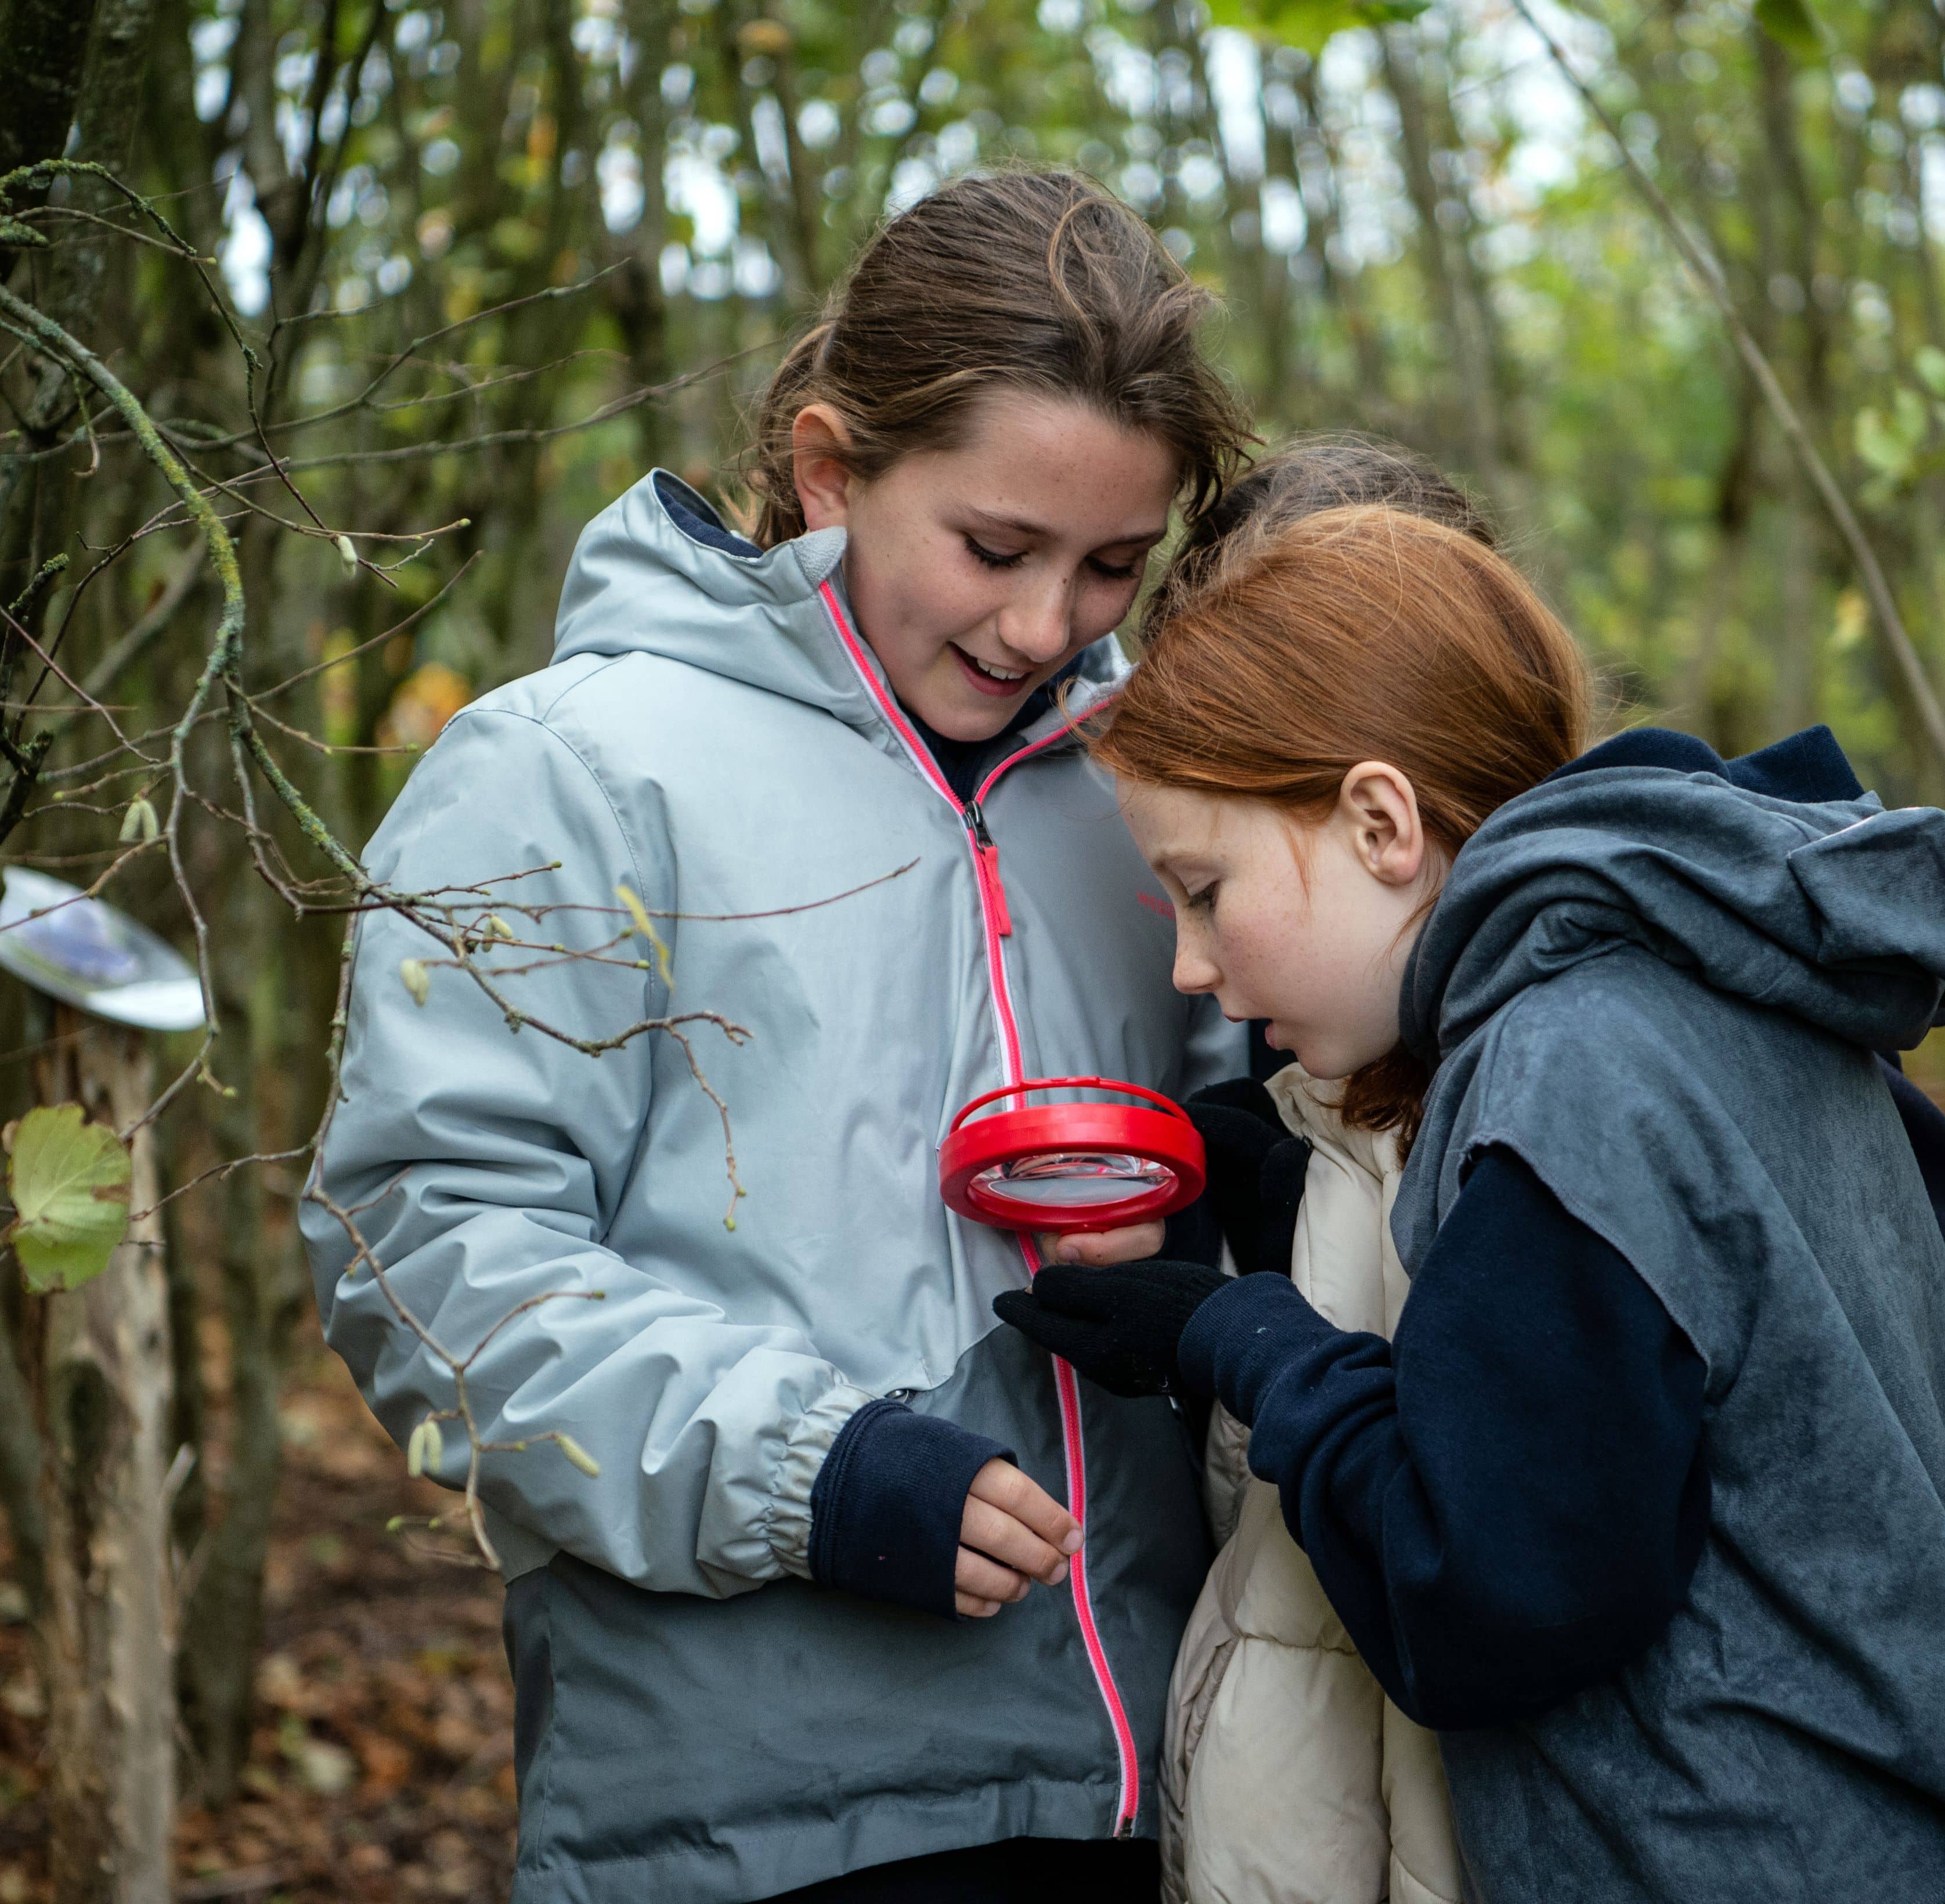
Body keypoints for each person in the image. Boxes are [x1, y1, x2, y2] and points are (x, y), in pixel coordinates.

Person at [301, 170, 1252, 1904]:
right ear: (831, 471)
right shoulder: (570, 772)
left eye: (1114, 565)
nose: (1048, 629)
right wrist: (815, 1473)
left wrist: (1195, 1236)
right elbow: (418, 1259)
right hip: (748, 1814)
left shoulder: (1154, 791)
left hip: (1153, 1789)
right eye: (994, 547)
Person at [998, 503, 1945, 1903]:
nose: (1190, 966)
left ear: (1378, 819)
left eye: (1204, 891)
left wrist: (1251, 1343)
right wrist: (1280, 1181)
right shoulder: (1709, 982)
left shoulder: (1559, 1064)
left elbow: (1487, 1600)